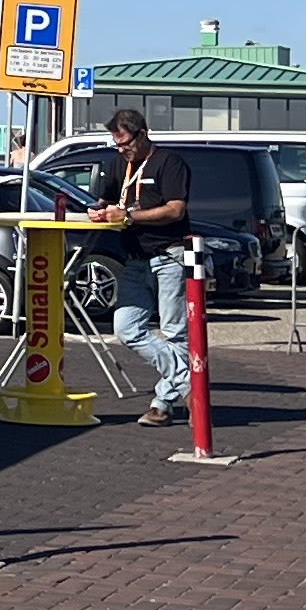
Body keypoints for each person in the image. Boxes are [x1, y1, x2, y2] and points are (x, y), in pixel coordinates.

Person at [91, 107, 194, 427]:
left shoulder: (170, 163)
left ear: (143, 133)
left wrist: (130, 217)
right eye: (117, 144)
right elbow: (106, 200)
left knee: (176, 331)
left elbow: (176, 210)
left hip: (169, 255)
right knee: (126, 327)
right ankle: (190, 381)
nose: (122, 150)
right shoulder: (117, 163)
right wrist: (100, 210)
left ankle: (163, 402)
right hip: (135, 258)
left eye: (125, 143)